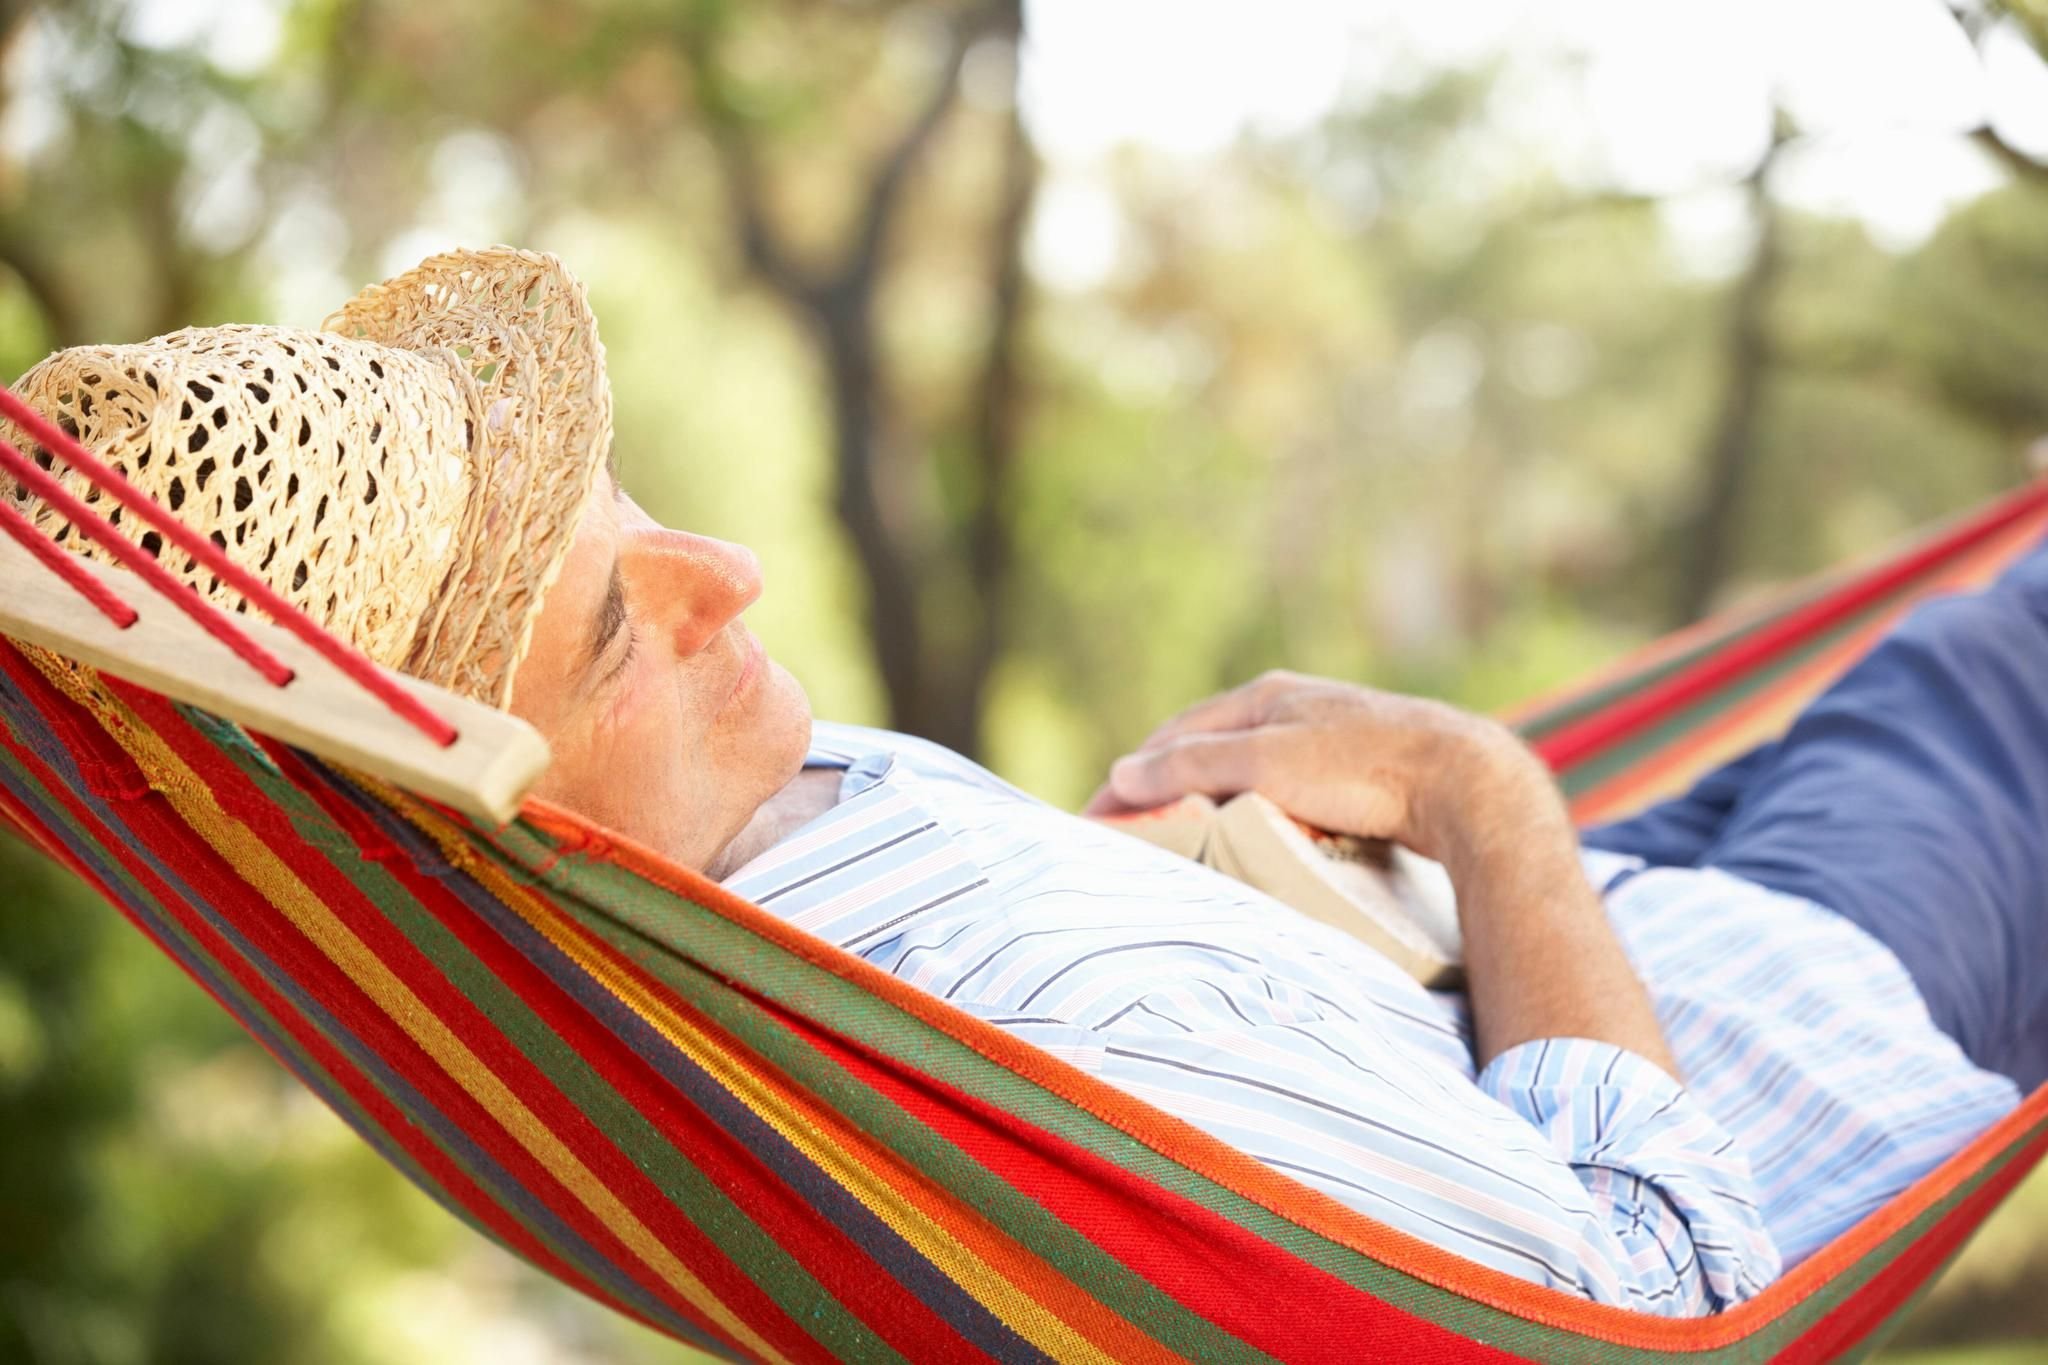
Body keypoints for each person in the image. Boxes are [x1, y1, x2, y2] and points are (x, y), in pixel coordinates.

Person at [5, 247, 2034, 1320]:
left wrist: (1185, 876)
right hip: (1772, 1014)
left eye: (641, 523)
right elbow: (1668, 1283)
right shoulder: (1012, 1055)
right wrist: (1472, 780)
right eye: (620, 627)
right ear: (484, 827)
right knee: (1994, 646)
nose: (733, 577)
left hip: (1546, 943)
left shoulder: (748, 915)